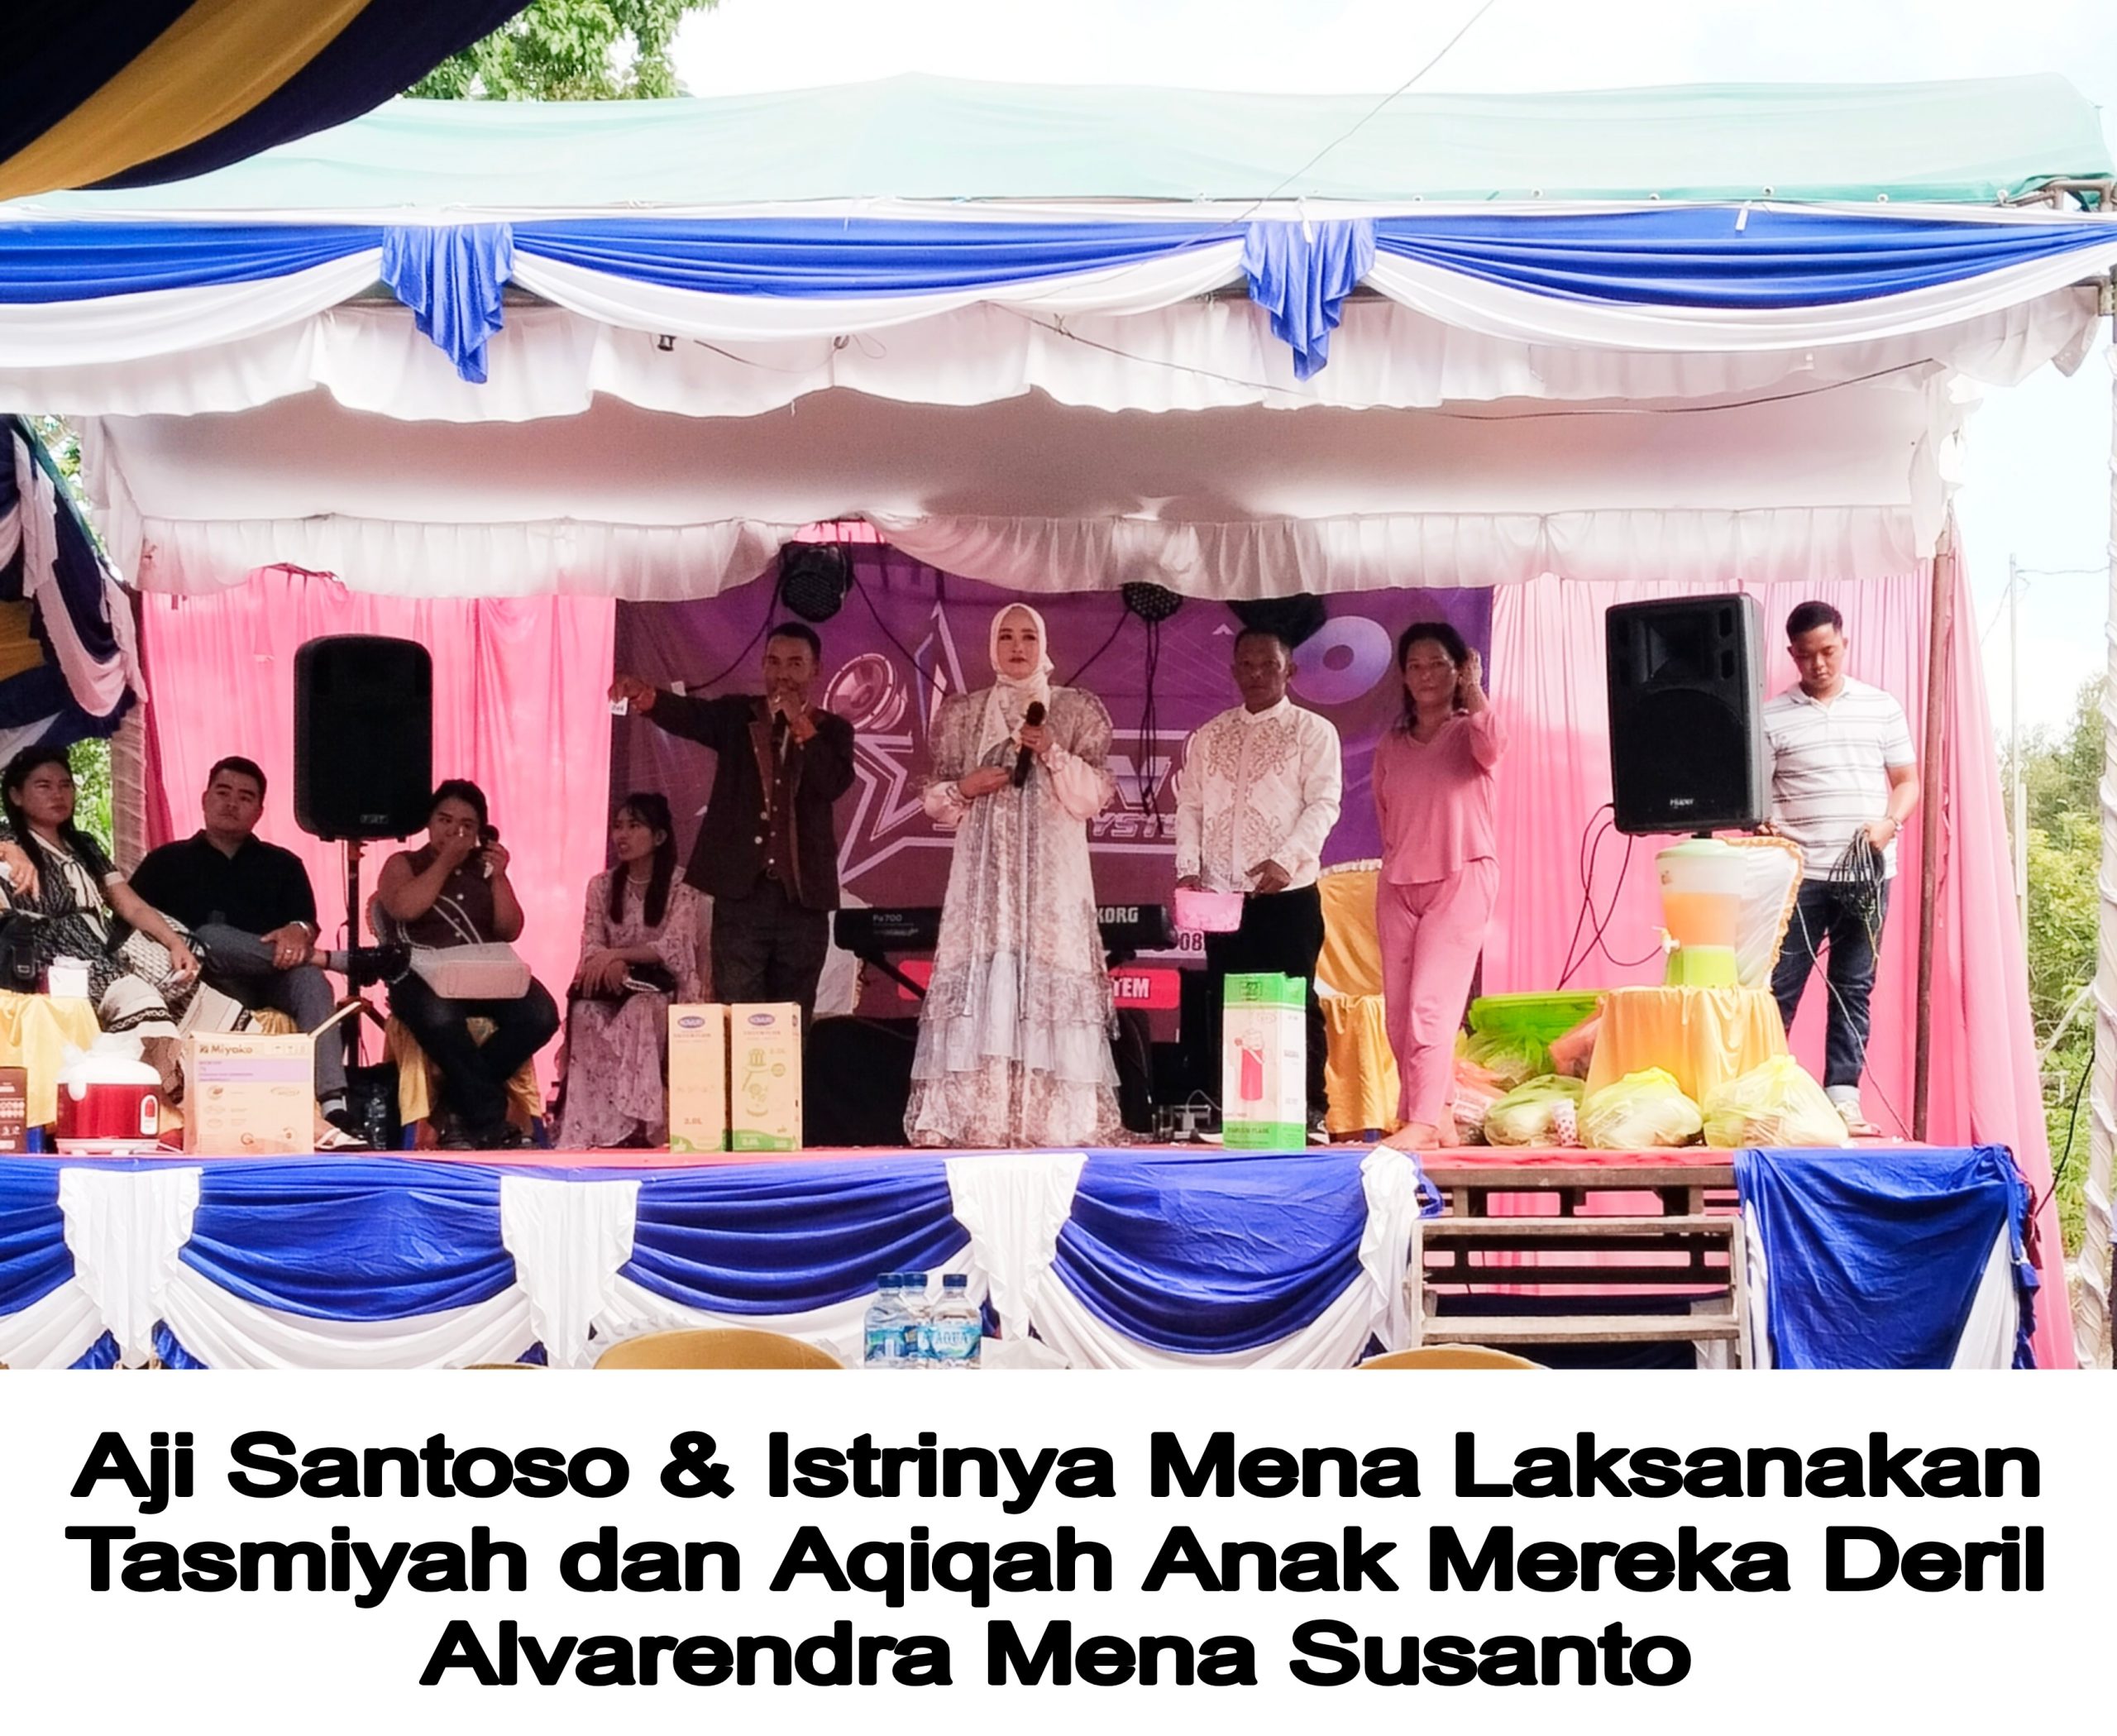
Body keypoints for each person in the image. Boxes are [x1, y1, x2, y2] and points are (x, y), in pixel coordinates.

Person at [905, 603, 1122, 1148]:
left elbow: (1091, 798)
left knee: (1047, 979)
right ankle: (981, 1116)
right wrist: (966, 787)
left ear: (1043, 644)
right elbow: (937, 802)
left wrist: (1052, 752)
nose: (1017, 646)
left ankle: (1053, 1121)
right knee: (990, 979)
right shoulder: (965, 713)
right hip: (986, 882)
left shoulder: (1072, 710)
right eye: (1006, 636)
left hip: (1052, 881)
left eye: (1028, 636)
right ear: (992, 646)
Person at [609, 623, 856, 1026]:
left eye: (795, 664)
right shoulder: (738, 716)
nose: (783, 674)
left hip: (803, 900)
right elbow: (692, 716)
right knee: (739, 1016)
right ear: (762, 666)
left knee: (793, 1018)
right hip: (742, 897)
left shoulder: (834, 731)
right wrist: (649, 698)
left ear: (817, 670)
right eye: (774, 662)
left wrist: (800, 724)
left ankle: (792, 1072)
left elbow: (833, 782)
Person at [128, 757, 370, 1135]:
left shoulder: (283, 864)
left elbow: (305, 923)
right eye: (223, 793)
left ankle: (333, 1105)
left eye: (245, 797)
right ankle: (328, 959)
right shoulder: (165, 862)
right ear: (205, 799)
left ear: (259, 811)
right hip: (199, 984)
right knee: (210, 937)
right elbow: (131, 925)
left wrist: (299, 930)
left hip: (269, 980)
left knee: (311, 981)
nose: (232, 804)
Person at [1175, 627, 1342, 1137]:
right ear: (1232, 671)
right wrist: (1188, 868)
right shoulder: (1211, 735)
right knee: (1228, 1000)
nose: (1256, 674)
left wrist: (1286, 860)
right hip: (1223, 895)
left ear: (1290, 670)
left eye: (1268, 664)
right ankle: (1234, 1112)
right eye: (1246, 664)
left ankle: (1309, 1111)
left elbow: (1323, 803)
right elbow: (1191, 806)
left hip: (1288, 892)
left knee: (1292, 999)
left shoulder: (1312, 732)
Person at [1761, 600, 1920, 1137]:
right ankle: (1765, 1096)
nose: (1819, 664)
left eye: (1828, 651)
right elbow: (1756, 798)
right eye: (1807, 655)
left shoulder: (1881, 707)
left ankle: (1843, 1101)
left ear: (1844, 644)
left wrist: (1889, 824)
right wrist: (1762, 824)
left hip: (1867, 872)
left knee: (1853, 986)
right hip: (1797, 876)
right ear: (1792, 655)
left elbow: (1907, 782)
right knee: (1778, 988)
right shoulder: (1771, 717)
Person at [1371, 624, 1503, 1150]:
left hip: (1461, 876)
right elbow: (1386, 814)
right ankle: (1437, 1115)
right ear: (1404, 677)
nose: (1425, 675)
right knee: (1399, 1014)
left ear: (1459, 669)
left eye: (1438, 665)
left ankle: (1421, 1122)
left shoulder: (1469, 731)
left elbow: (1494, 745)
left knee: (1432, 1007)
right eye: (1415, 666)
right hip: (1400, 881)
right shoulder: (1392, 744)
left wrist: (1475, 690)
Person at [375, 779, 560, 1150]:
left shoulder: (483, 869)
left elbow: (509, 929)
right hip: (420, 974)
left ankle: (452, 1111)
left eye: (466, 825)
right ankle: (489, 1120)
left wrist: (500, 876)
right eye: (444, 820)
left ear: (480, 832)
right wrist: (445, 862)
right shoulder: (404, 863)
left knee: (541, 1014)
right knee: (440, 1019)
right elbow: (405, 908)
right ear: (429, 823)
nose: (453, 831)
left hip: (482, 973)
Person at [0, 745, 201, 1040]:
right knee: (139, 1000)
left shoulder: (84, 845)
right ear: (16, 795)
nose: (58, 794)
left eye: (65, 785)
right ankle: (144, 1068)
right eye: (44, 786)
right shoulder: (8, 839)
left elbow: (131, 906)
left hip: (109, 950)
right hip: (54, 959)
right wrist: (7, 850)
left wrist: (174, 943)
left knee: (207, 1005)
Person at [554, 794, 703, 1149]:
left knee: (642, 1009)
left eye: (634, 826)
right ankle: (598, 1127)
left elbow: (673, 948)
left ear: (659, 836)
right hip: (613, 987)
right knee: (586, 1012)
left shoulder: (682, 886)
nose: (622, 835)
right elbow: (591, 942)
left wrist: (618, 957)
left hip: (665, 992)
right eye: (618, 826)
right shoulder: (601, 886)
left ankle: (642, 1125)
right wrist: (609, 962)